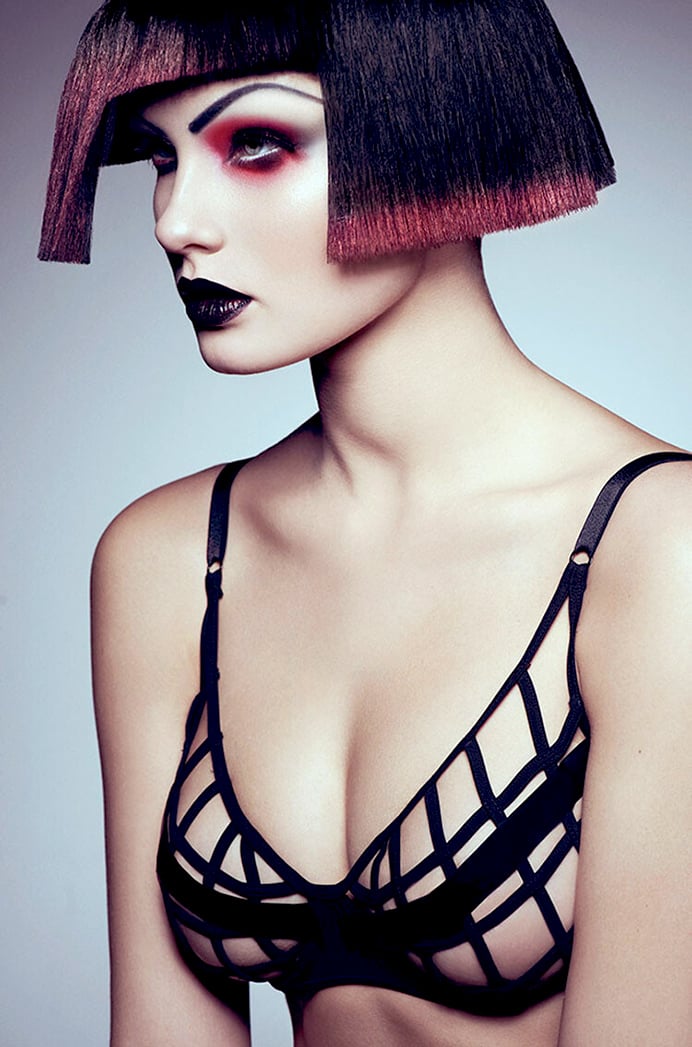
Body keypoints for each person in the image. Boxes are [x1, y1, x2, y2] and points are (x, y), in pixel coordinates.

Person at [40, 2, 691, 1044]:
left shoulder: (658, 550)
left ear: (437, 133)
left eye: (257, 144)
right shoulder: (165, 558)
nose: (174, 222)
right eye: (162, 158)